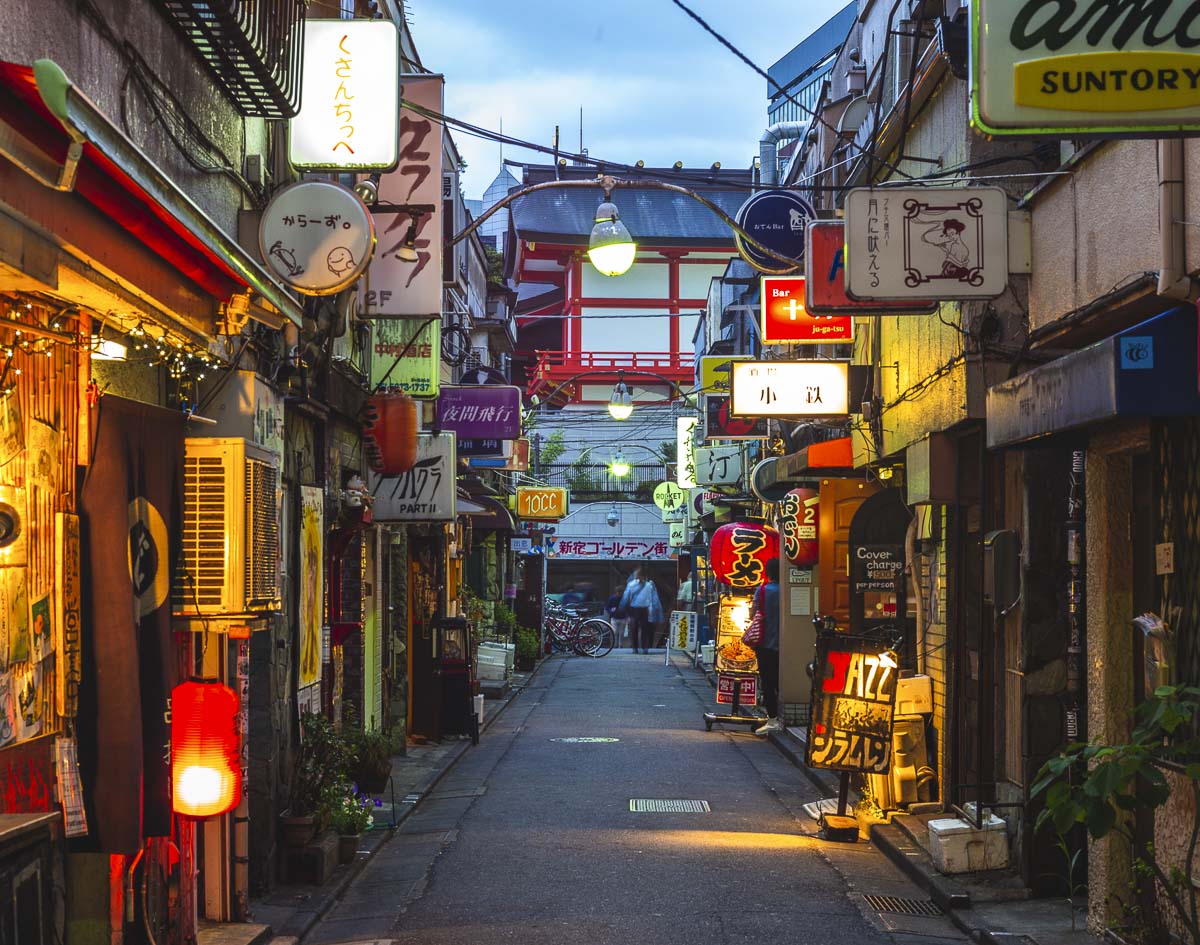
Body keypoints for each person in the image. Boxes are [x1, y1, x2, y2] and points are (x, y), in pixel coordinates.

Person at [750, 558, 782, 735]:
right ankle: (781, 716)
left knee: (768, 682)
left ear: (768, 572)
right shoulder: (787, 591)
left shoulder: (763, 590)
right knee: (779, 679)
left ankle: (773, 718)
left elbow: (754, 613)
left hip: (764, 642)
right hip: (784, 643)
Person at [619, 570, 663, 654]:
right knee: (642, 629)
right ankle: (642, 648)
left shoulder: (633, 585)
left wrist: (622, 607)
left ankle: (637, 648)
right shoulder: (648, 585)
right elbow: (653, 599)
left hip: (638, 609)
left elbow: (626, 597)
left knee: (637, 629)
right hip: (641, 609)